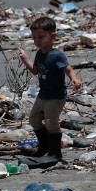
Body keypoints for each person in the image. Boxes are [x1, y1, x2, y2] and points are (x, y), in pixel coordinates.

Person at [16, 16, 82, 163]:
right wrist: (25, 58)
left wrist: (74, 79)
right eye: (34, 38)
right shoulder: (40, 54)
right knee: (34, 119)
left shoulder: (57, 55)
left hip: (56, 96)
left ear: (53, 36)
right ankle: (44, 145)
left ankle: (55, 152)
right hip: (43, 94)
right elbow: (35, 71)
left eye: (41, 37)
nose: (37, 41)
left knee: (52, 122)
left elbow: (68, 68)